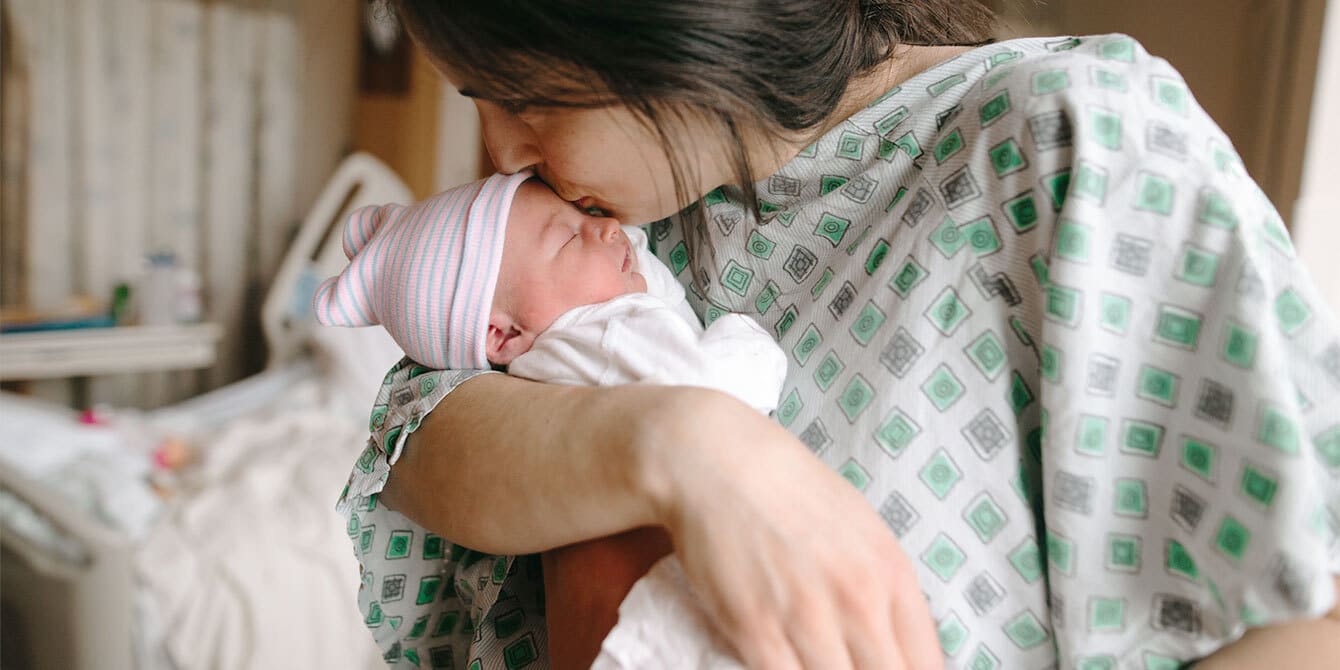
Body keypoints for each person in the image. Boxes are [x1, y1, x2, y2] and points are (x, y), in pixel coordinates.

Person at [346, 1, 1340, 668]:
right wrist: (684, 447)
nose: (504, 152)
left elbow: (1290, 613)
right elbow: (414, 434)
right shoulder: (620, 212)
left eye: (520, 95)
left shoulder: (1071, 145)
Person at [320, 172, 788, 669]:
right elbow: (719, 387)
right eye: (567, 236)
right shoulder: (604, 335)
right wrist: (750, 337)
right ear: (502, 334)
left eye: (584, 216)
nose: (609, 227)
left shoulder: (543, 359)